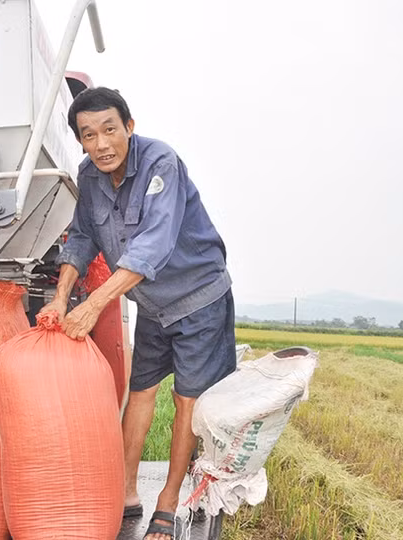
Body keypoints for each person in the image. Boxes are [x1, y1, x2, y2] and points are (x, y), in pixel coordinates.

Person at [40, 87, 236, 540]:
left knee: (187, 399)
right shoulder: (89, 177)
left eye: (110, 129)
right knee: (141, 389)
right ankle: (125, 491)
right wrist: (60, 295)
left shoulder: (160, 163)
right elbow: (82, 237)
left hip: (197, 299)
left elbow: (154, 243)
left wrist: (94, 303)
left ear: (129, 126)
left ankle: (167, 502)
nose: (101, 143)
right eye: (89, 135)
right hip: (149, 303)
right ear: (80, 141)